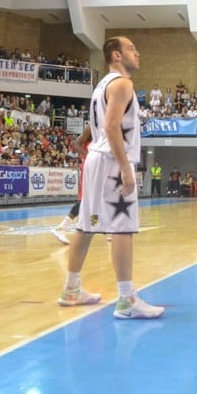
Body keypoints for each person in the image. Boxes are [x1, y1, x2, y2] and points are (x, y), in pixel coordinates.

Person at [57, 37, 164, 320]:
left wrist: (84, 145)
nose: (137, 51)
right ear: (116, 55)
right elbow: (111, 125)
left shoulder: (101, 85)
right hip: (113, 162)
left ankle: (71, 290)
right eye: (131, 48)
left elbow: (94, 130)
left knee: (86, 225)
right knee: (123, 228)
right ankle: (127, 300)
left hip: (96, 158)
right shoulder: (122, 83)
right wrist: (126, 168)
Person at [53, 125, 91, 245]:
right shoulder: (91, 127)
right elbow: (76, 145)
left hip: (98, 167)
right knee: (86, 200)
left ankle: (95, 227)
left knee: (96, 201)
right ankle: (60, 228)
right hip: (89, 166)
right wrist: (88, 156)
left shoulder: (106, 127)